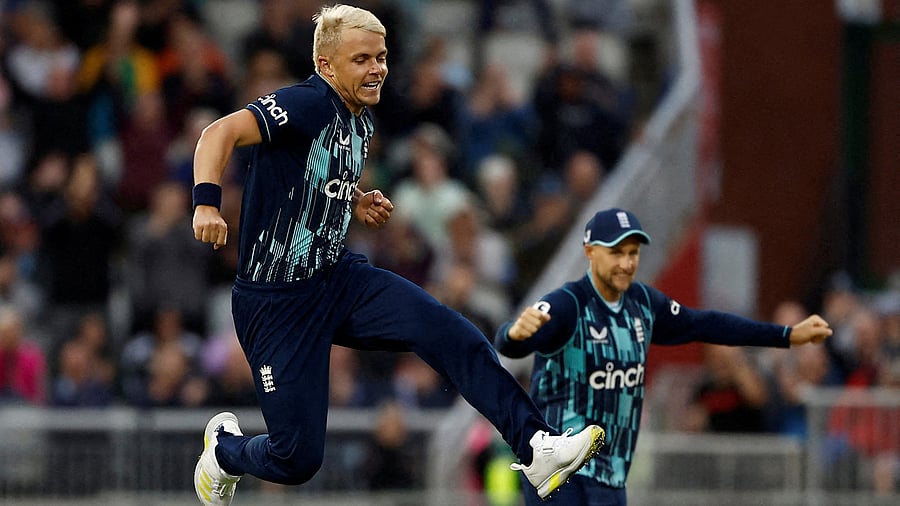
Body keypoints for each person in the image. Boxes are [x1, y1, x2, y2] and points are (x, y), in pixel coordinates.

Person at [189, 5, 605, 506]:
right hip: (276, 303)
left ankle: (536, 445)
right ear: (326, 65)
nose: (376, 68)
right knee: (296, 458)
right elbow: (219, 134)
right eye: (361, 58)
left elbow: (313, 176)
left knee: (445, 329)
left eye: (381, 57)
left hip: (337, 280)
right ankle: (224, 452)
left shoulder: (359, 122)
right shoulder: (305, 103)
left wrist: (354, 199)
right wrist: (206, 204)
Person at [493, 207, 834, 505]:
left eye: (633, 253)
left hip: (612, 472)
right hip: (561, 472)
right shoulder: (569, 304)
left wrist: (787, 336)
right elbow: (512, 343)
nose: (627, 263)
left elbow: (707, 324)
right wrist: (513, 334)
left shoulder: (643, 304)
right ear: (590, 251)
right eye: (616, 253)